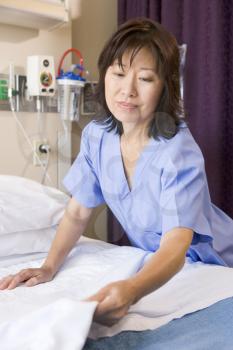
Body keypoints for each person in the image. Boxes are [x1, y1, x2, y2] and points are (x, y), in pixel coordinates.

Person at [0, 18, 233, 327]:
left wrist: (132, 289)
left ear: (165, 86)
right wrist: (49, 266)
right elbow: (77, 213)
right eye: (119, 73)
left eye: (146, 79)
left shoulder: (177, 152)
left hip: (216, 262)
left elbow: (176, 246)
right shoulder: (98, 137)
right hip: (159, 261)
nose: (128, 91)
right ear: (105, 74)